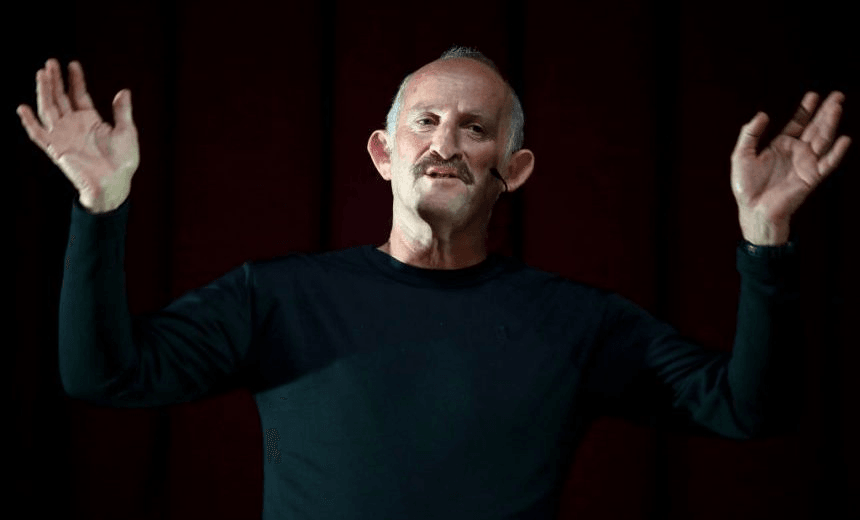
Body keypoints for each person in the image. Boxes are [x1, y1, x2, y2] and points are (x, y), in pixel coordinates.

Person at [18, 46, 851, 519]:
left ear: (513, 170)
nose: (444, 141)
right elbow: (102, 375)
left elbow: (752, 409)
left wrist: (765, 237)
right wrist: (101, 208)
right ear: (385, 154)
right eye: (424, 121)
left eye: (475, 127)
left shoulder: (578, 323)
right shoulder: (275, 298)